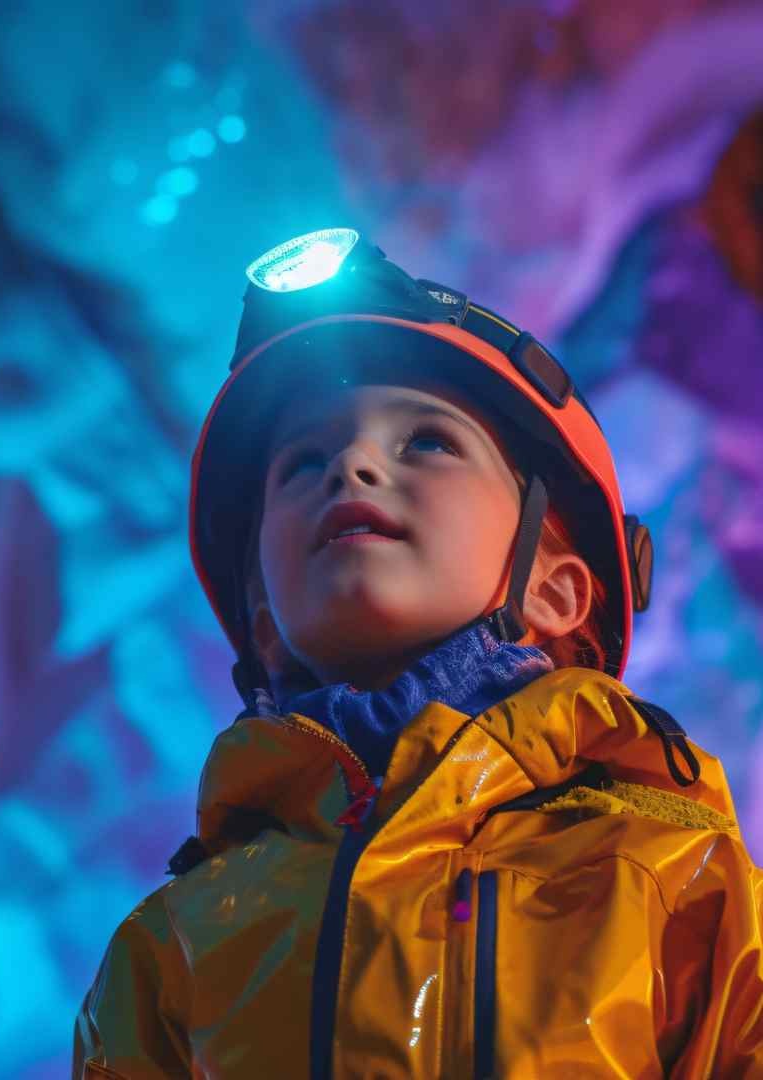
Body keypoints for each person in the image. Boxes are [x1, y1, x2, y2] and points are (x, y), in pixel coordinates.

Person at [72, 229, 763, 1078]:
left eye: (427, 442)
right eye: (303, 462)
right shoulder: (171, 946)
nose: (353, 465)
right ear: (261, 621)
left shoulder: (670, 878)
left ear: (554, 588)